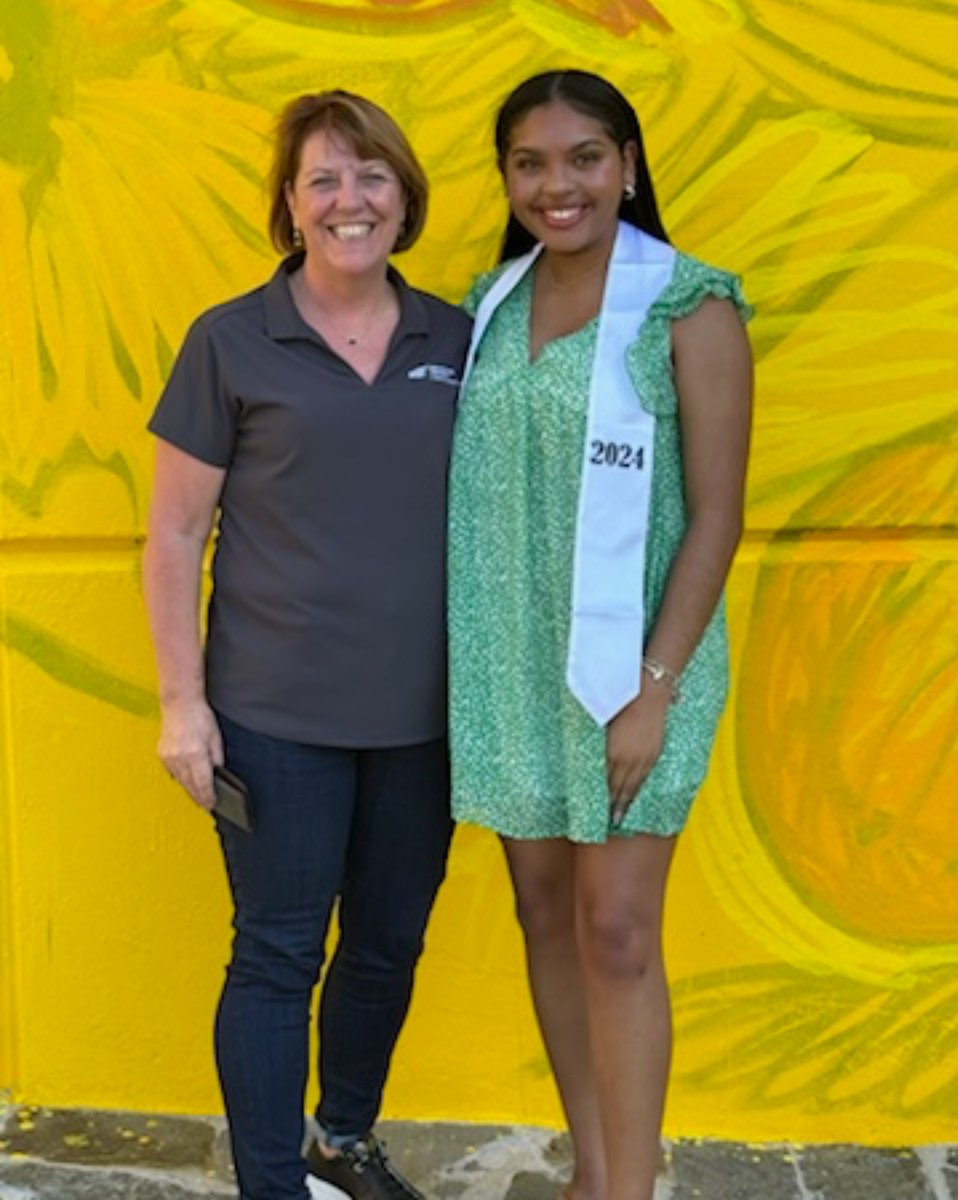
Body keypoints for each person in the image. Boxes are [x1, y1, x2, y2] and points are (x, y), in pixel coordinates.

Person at [143, 90, 471, 1200]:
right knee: (278, 955)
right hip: (274, 720)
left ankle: (345, 1139)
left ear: (404, 196)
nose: (350, 199)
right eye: (324, 178)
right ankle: (273, 1185)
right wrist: (182, 706)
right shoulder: (232, 340)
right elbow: (176, 532)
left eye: (371, 175)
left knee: (385, 947)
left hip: (423, 720)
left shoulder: (456, 339)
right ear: (290, 204)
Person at [447, 70, 753, 1200]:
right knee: (544, 913)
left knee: (617, 927)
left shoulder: (691, 305)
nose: (556, 184)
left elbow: (716, 512)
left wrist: (657, 686)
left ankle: (631, 1187)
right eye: (530, 162)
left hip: (636, 669)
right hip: (511, 658)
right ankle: (592, 1167)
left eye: (583, 157)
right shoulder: (491, 304)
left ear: (628, 163)